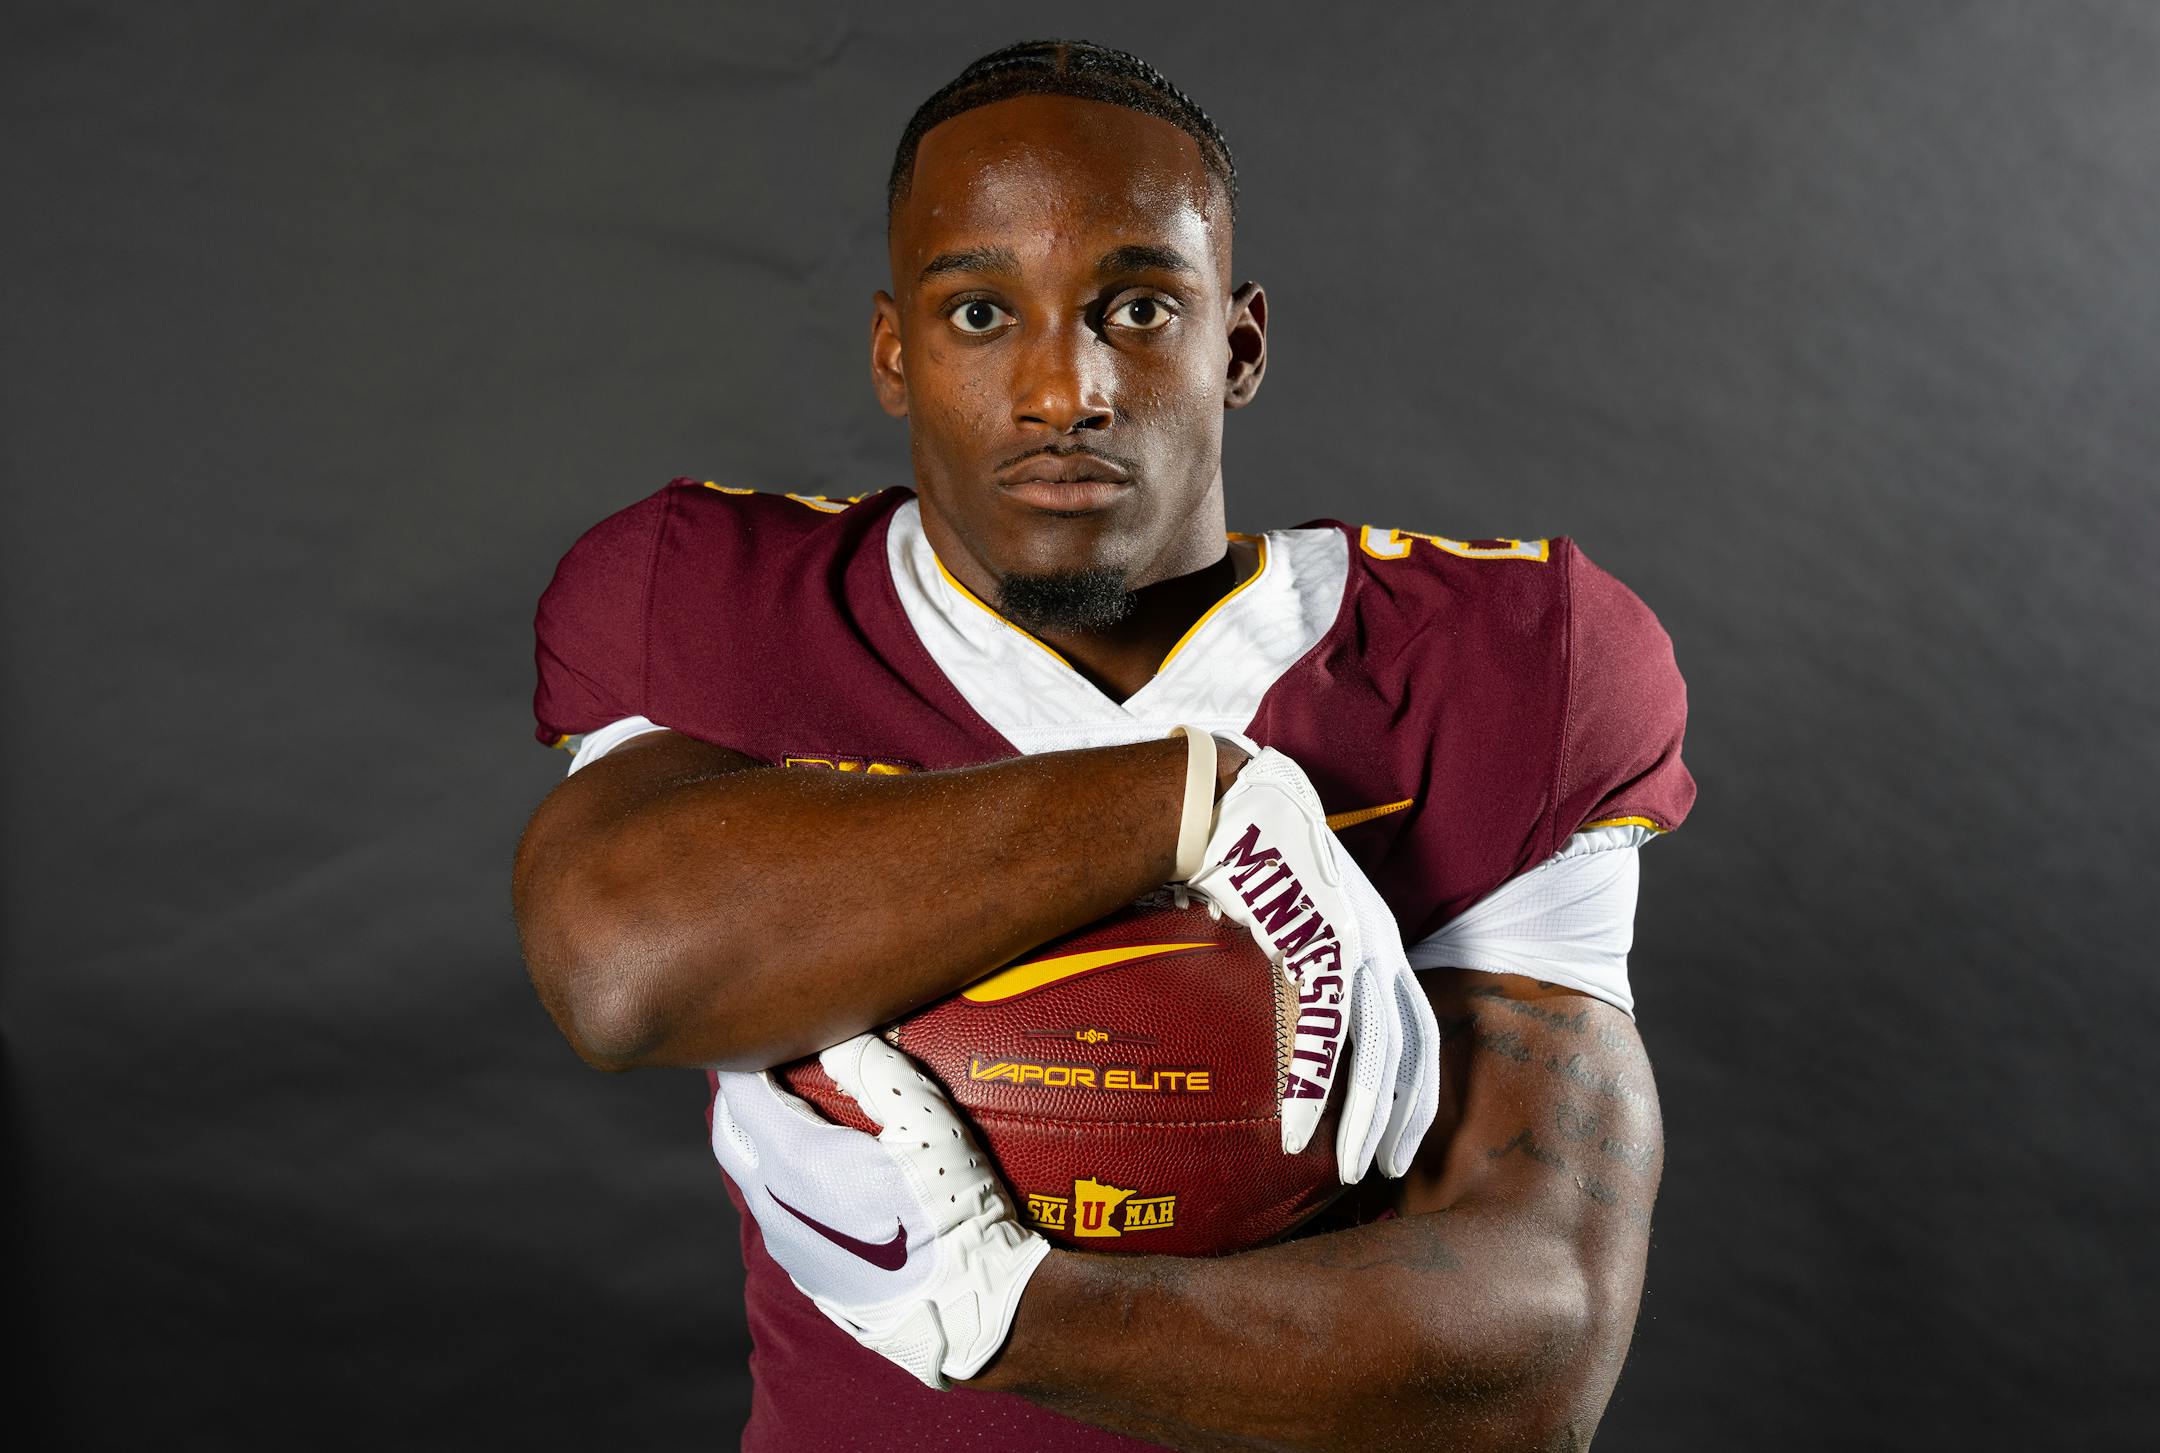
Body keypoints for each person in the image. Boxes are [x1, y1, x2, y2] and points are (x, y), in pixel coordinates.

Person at [513, 38, 1694, 1452]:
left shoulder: (1503, 660)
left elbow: (1537, 1346)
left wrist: (1002, 1309)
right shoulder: (716, 602)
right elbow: (620, 963)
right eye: (977, 314)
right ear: (893, 351)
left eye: (1136, 306)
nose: (1061, 385)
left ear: (1239, 343)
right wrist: (1186, 798)